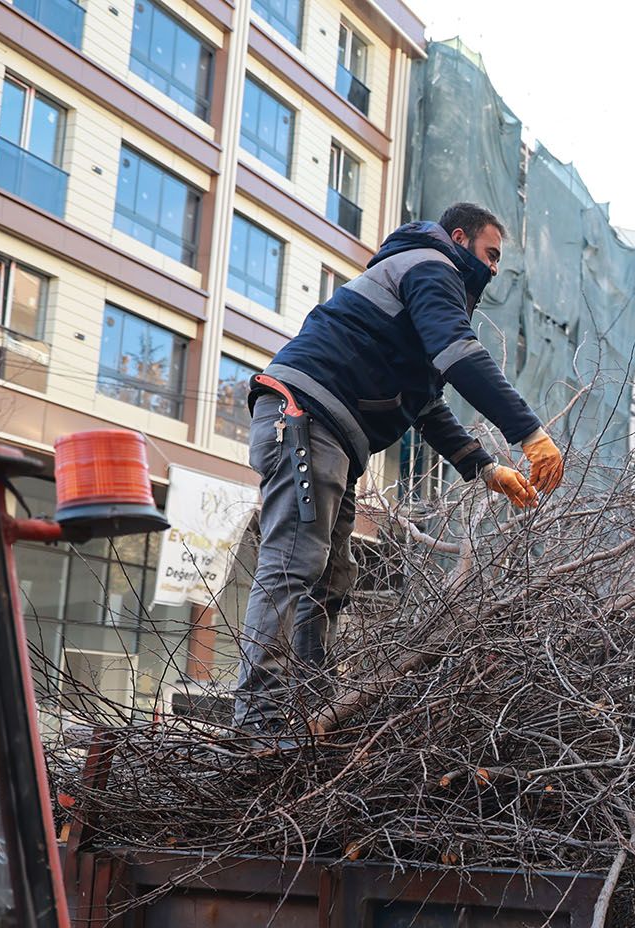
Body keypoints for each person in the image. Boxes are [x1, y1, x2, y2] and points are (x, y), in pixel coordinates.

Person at [234, 202, 563, 736]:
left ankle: (307, 712)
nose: (496, 269)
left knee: (331, 575)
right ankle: (260, 722)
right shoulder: (431, 266)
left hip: (330, 431)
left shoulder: (421, 283)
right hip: (303, 418)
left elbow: (426, 406)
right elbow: (459, 355)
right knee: (295, 560)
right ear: (460, 237)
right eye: (491, 254)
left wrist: (483, 468)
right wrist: (530, 433)